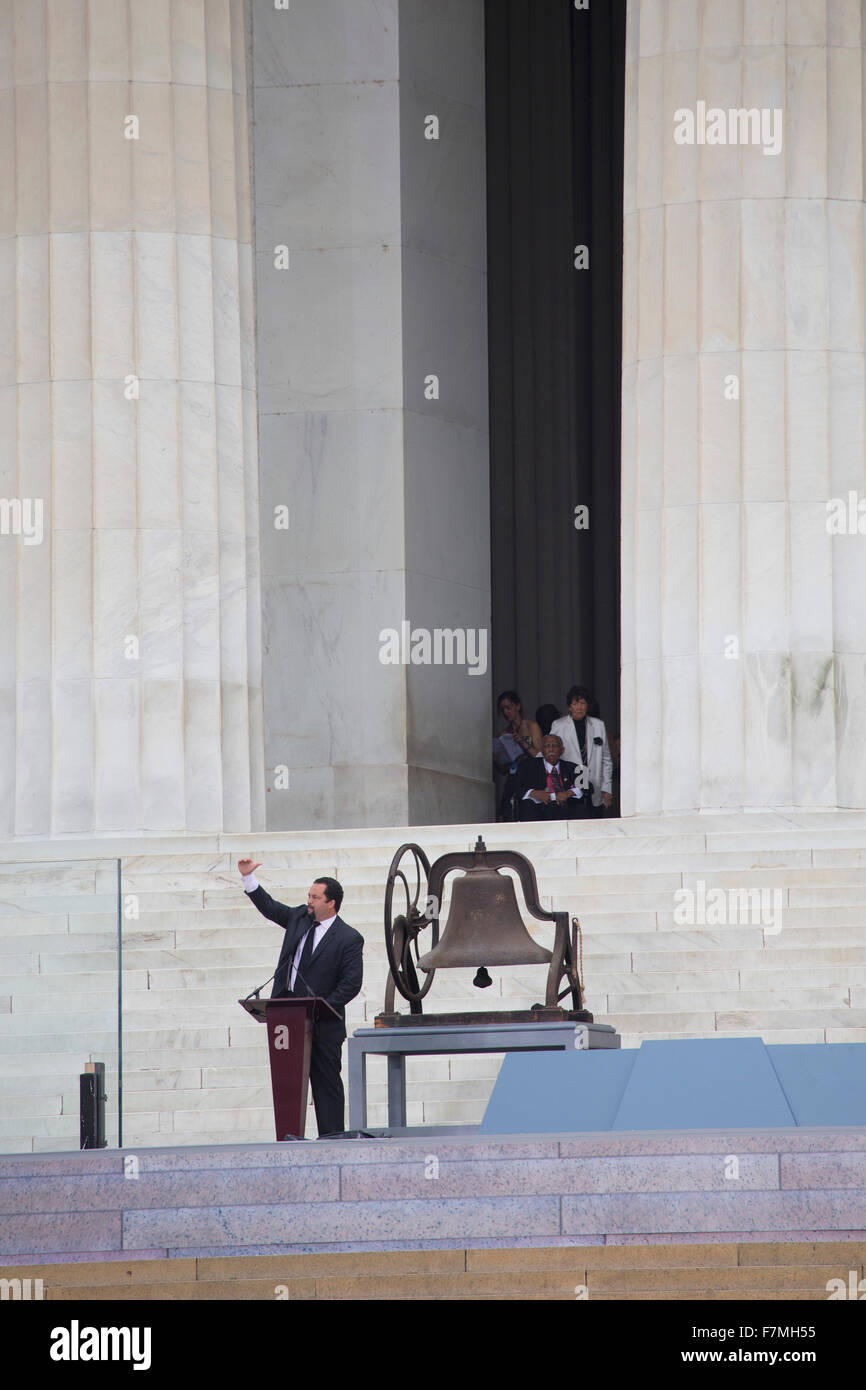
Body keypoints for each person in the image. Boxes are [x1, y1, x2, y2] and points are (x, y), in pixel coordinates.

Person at [237, 859, 363, 1137]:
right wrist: (249, 879)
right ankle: (289, 1139)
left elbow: (351, 984)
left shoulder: (349, 938)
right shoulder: (298, 919)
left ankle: (332, 1140)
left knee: (326, 1084)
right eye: (308, 895)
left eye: (315, 897)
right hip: (287, 1019)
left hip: (324, 1024)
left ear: (331, 903)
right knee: (288, 1084)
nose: (309, 901)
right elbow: (270, 907)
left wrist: (323, 1006)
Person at [550, 685, 613, 817]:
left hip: (593, 781)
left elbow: (606, 760)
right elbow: (550, 752)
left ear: (587, 706)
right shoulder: (559, 725)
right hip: (571, 780)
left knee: (593, 817)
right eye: (575, 703)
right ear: (569, 707)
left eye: (582, 703)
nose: (579, 707)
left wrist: (606, 788)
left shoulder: (598, 725)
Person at [493, 690, 543, 819]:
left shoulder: (531, 726)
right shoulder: (504, 733)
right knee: (508, 813)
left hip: (531, 777)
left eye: (508, 708)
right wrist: (497, 759)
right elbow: (503, 770)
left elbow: (539, 755)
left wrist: (522, 741)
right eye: (502, 709)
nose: (505, 712)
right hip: (513, 778)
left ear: (518, 706)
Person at [515, 733, 587, 820]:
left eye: (555, 745)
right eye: (547, 746)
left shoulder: (573, 767)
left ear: (562, 750)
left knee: (580, 809)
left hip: (565, 809)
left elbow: (587, 786)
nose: (551, 749)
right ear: (542, 750)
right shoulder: (527, 766)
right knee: (527, 807)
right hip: (539, 809)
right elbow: (516, 786)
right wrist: (534, 793)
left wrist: (568, 793)